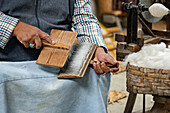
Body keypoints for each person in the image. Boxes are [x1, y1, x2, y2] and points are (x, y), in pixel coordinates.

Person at [0, 0, 119, 113]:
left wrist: (97, 50)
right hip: (9, 61)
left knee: (94, 73)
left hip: (63, 60)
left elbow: (84, 18)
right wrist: (16, 28)